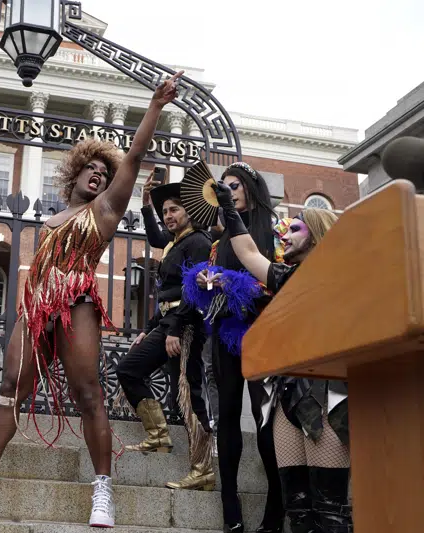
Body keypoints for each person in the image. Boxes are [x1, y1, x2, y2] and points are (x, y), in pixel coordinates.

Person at [0, 70, 183, 529]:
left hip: (76, 302)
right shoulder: (54, 216)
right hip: (35, 307)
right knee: (11, 388)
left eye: (105, 173)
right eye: (92, 169)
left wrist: (155, 106)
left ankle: (103, 492)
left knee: (87, 393)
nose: (99, 176)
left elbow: (134, 157)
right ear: (75, 171)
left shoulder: (106, 210)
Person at [211, 183, 350, 533]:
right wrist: (229, 207)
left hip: (325, 395)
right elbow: (246, 251)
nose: (284, 233)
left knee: (329, 510)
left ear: (317, 234)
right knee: (298, 509)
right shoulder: (286, 278)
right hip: (286, 395)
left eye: (296, 227)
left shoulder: (339, 281)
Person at [182, 162, 284, 533]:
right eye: (224, 187)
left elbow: (279, 283)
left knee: (266, 421)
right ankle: (230, 505)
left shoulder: (275, 233)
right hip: (225, 335)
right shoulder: (217, 242)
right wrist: (205, 281)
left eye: (235, 185)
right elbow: (203, 294)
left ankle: (276, 508)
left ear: (251, 189)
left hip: (264, 335)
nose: (229, 191)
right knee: (226, 415)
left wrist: (237, 284)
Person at [116, 170, 215, 492]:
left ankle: (203, 469)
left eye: (174, 209)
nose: (168, 216)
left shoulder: (199, 242)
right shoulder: (177, 242)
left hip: (185, 327)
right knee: (149, 378)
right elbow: (159, 248)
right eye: (165, 212)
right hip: (168, 324)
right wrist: (146, 205)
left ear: (189, 210)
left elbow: (194, 291)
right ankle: (159, 437)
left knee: (188, 395)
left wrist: (173, 329)